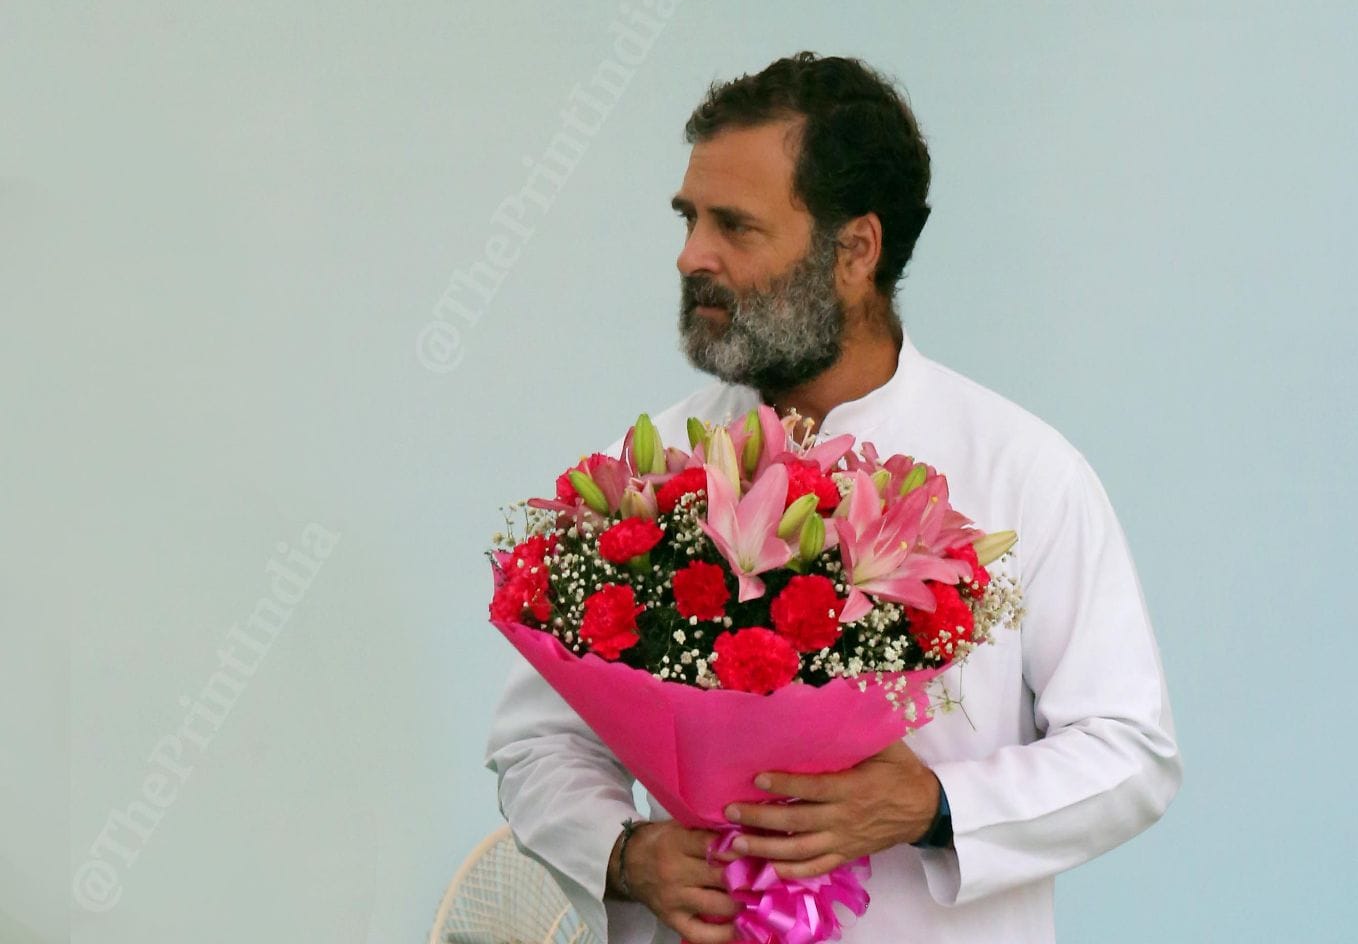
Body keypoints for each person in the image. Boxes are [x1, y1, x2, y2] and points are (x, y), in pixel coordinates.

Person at [485, 53, 1180, 943]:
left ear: (855, 249)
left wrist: (930, 806)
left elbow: (1129, 751)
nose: (691, 255)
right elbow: (537, 742)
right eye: (689, 218)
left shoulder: (1021, 471)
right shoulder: (646, 472)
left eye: (734, 226)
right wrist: (623, 853)